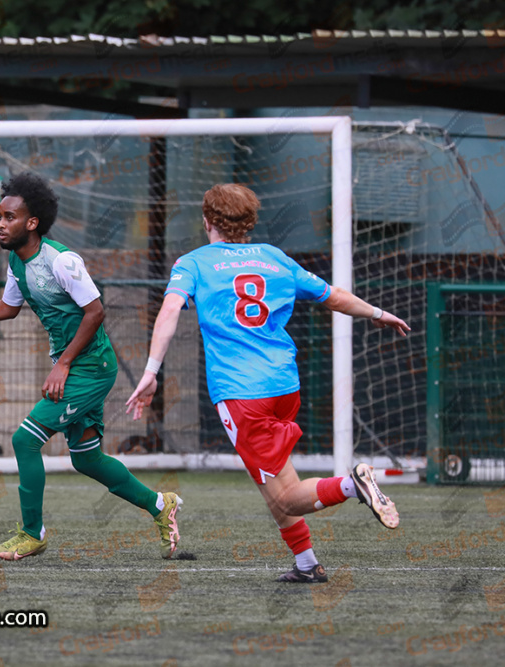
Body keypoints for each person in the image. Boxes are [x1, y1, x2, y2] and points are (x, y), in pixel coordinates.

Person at [126, 183, 410, 583]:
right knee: (272, 479)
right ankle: (307, 564)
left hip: (242, 393)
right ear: (249, 223)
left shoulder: (193, 263)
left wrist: (151, 371)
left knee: (284, 497)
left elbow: (171, 309)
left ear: (207, 221)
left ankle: (352, 485)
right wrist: (378, 313)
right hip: (284, 386)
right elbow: (332, 296)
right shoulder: (274, 258)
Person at [0, 171, 183, 561]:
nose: (2, 224)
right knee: (87, 458)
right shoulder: (17, 261)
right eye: (0, 217)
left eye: (10, 217)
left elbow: (95, 312)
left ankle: (31, 533)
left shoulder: (62, 260)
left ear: (32, 223)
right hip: (76, 367)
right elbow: (7, 307)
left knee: (24, 440)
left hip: (90, 368)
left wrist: (64, 365)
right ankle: (161, 505)